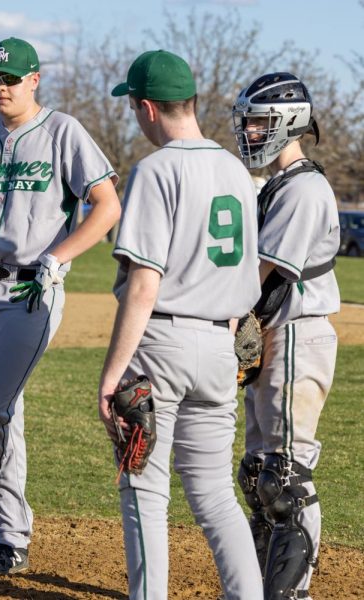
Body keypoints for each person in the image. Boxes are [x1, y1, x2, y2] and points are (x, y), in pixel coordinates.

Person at [0, 37, 120, 575]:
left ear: (35, 79)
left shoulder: (63, 132)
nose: (1, 88)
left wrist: (59, 257)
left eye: (11, 79)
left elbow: (107, 204)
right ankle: (7, 533)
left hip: (29, 290)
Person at [98, 50, 264, 600]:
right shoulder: (238, 171)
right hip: (222, 343)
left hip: (162, 343)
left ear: (147, 108)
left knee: (144, 489)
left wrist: (111, 375)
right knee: (215, 495)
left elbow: (144, 284)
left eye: (134, 108)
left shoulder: (157, 169)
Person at [232, 72, 339, 599]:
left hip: (297, 336)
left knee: (285, 474)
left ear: (289, 122)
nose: (250, 131)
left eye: (260, 122)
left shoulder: (303, 188)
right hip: (276, 335)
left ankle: (291, 592)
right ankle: (260, 581)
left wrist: (221, 321)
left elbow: (262, 272)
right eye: (248, 121)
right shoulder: (277, 185)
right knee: (258, 472)